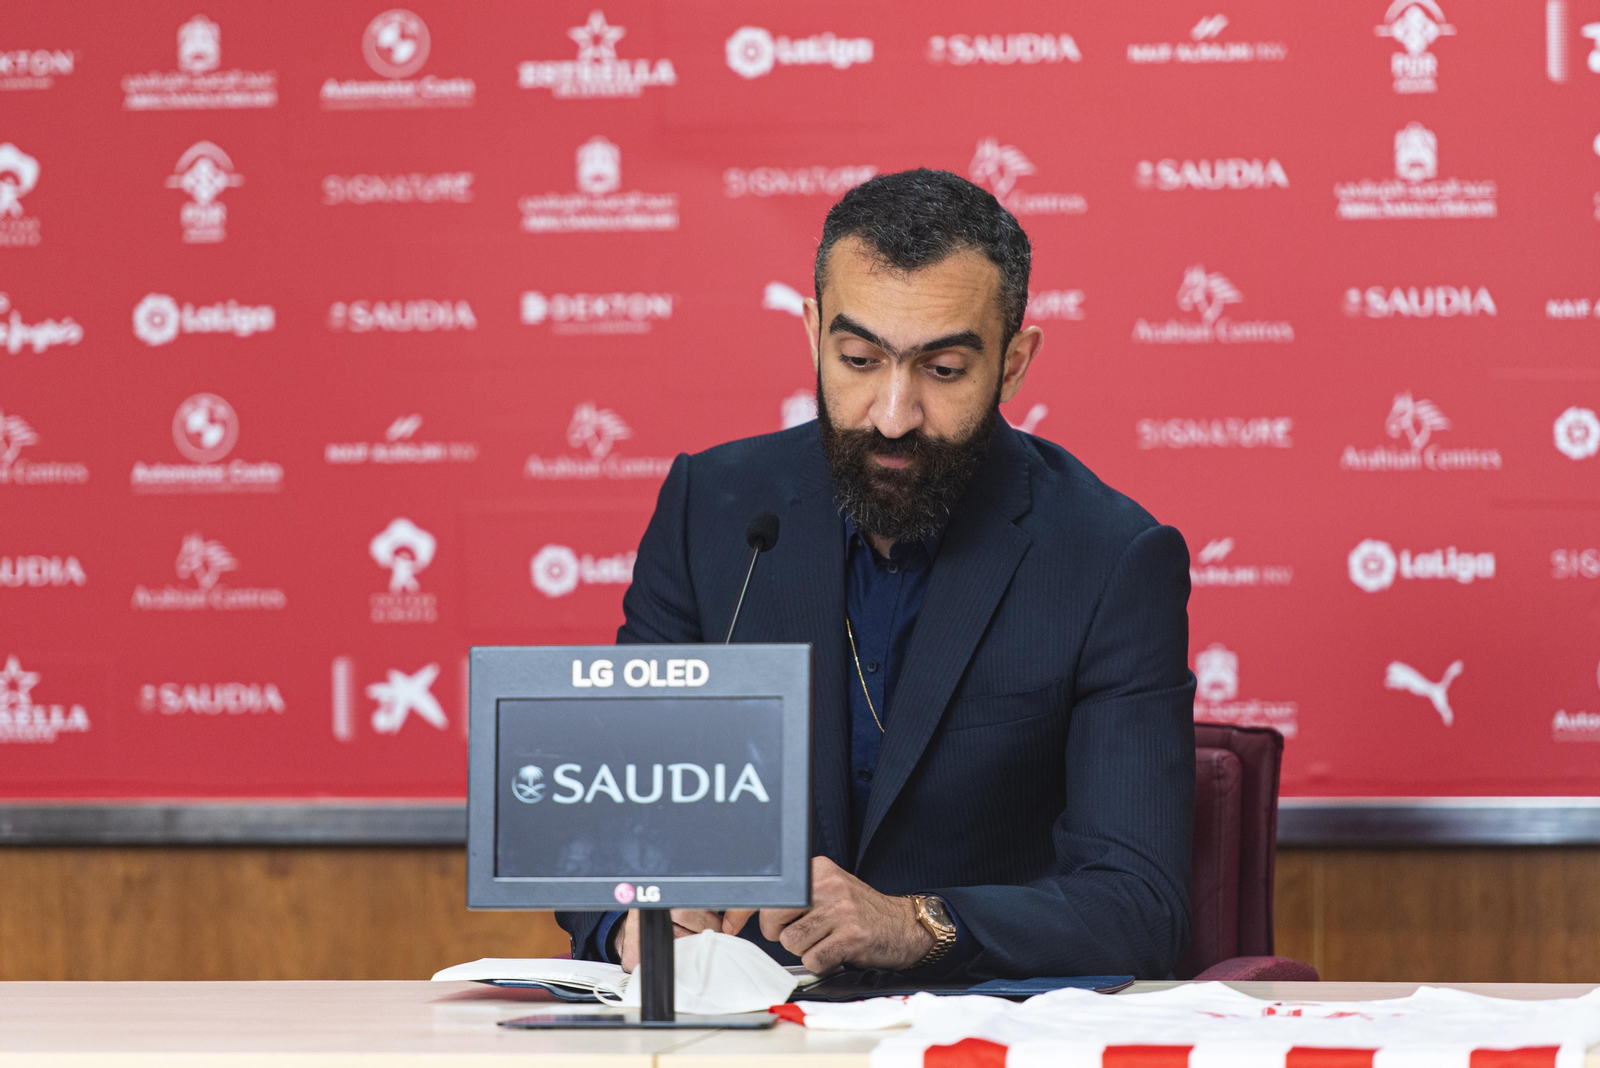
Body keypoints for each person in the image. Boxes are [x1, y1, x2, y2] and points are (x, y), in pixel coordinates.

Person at [557, 168, 1196, 981]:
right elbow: (607, 823)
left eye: (943, 370)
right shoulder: (710, 511)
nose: (893, 416)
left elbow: (1139, 905)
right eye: (859, 359)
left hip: (981, 1026)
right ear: (813, 334)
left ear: (1013, 362)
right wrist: (633, 918)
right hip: (742, 1021)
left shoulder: (1110, 558)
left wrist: (916, 924)